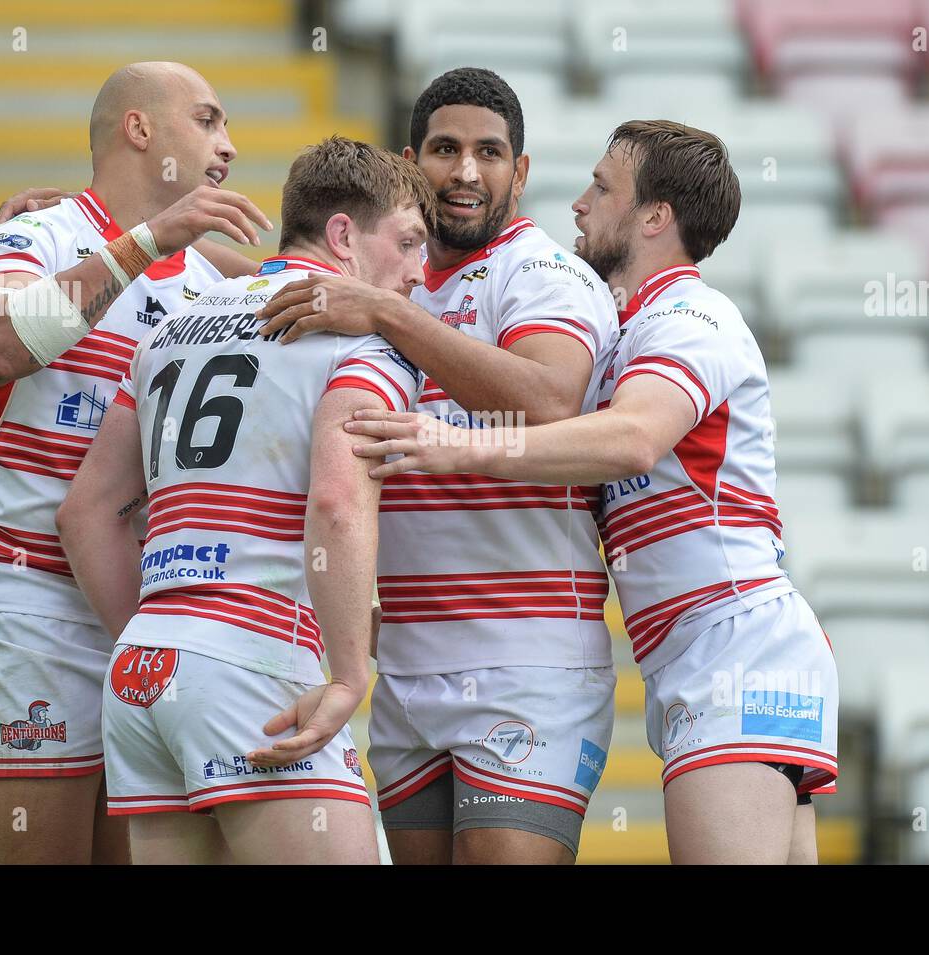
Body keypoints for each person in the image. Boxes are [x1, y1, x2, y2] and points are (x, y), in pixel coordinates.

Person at [344, 120, 840, 865]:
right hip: (704, 650)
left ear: (654, 217)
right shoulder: (629, 326)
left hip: (736, 646)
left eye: (602, 187)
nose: (578, 204)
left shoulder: (690, 318)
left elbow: (634, 439)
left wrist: (457, 445)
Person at [256, 68, 620, 866]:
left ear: (519, 173)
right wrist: (93, 224)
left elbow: (552, 400)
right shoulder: (392, 276)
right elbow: (268, 272)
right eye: (445, 149)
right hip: (408, 665)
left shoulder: (541, 273)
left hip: (524, 659)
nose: (464, 171)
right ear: (410, 160)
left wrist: (388, 314)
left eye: (489, 153)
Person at [56, 136, 435, 864]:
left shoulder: (169, 329)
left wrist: (168, 639)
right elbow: (336, 502)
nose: (419, 272)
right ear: (344, 235)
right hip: (255, 662)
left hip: (144, 666)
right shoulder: (360, 342)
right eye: (409, 243)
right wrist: (352, 673)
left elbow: (82, 514)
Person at [0, 61, 270, 864]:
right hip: (36, 607)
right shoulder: (31, 235)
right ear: (139, 129)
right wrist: (146, 239)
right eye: (207, 120)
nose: (227, 145)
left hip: (155, 606)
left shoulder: (207, 278)